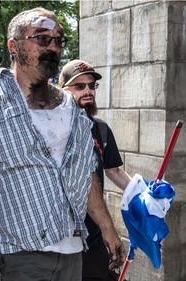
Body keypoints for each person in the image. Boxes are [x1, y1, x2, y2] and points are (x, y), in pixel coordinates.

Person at [0, 7, 125, 281]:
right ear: (14, 46)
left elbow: (84, 173)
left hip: (73, 249)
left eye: (58, 40)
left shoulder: (71, 108)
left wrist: (107, 227)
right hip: (19, 252)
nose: (53, 47)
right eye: (42, 39)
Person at [59, 59, 131, 281]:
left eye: (92, 86)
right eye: (79, 86)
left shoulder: (100, 128)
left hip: (94, 233)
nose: (88, 91)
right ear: (62, 91)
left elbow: (114, 171)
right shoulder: (54, 128)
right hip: (60, 236)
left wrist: (144, 192)